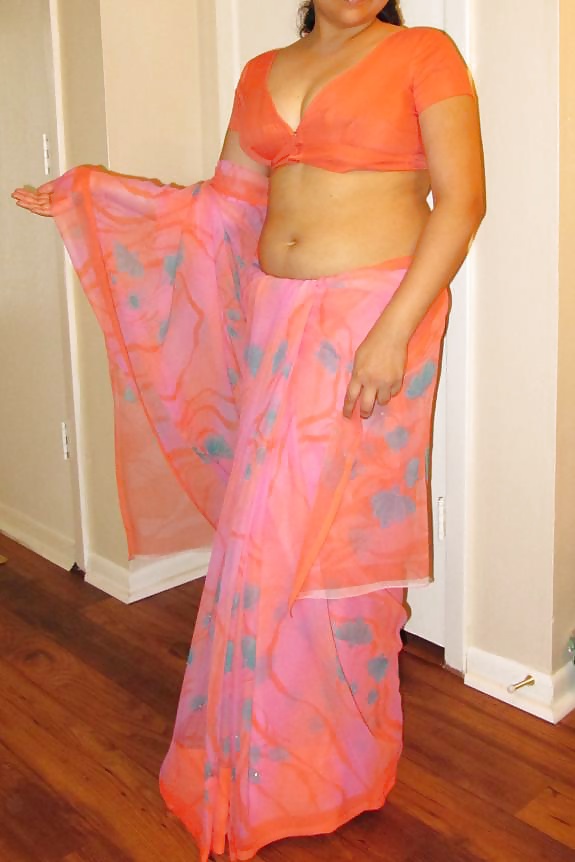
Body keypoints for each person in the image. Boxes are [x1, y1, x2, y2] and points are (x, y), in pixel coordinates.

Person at [11, 1, 485, 859]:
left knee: (326, 542)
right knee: (264, 535)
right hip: (275, 319)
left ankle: (328, 762)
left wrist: (391, 332)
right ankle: (260, 757)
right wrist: (102, 193)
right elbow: (222, 205)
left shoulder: (425, 53)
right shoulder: (263, 71)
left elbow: (460, 204)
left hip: (369, 318)